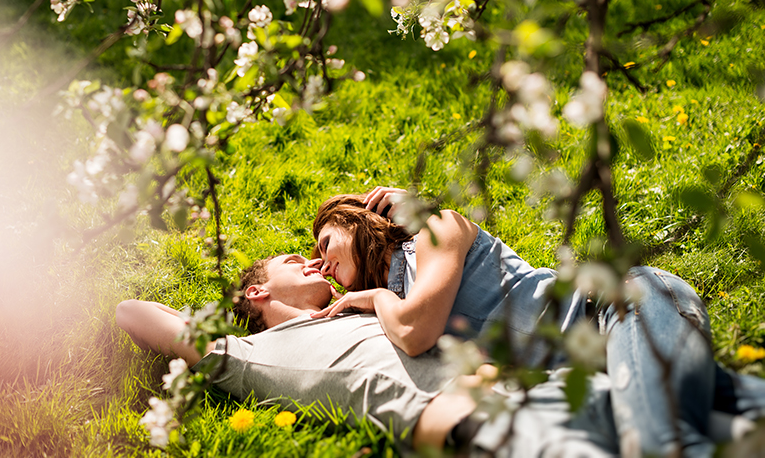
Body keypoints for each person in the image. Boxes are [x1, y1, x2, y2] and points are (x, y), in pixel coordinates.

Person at [310, 187, 765, 457]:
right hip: (603, 365)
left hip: (625, 307)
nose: (320, 264)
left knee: (661, 444)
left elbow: (416, 331)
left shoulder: (435, 230)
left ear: (353, 221)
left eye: (323, 243)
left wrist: (376, 295)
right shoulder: (398, 299)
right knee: (727, 410)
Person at [117, 254, 629, 455]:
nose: (311, 259)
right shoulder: (249, 353)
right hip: (491, 430)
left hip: (550, 391)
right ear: (257, 294)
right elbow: (131, 312)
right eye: (293, 261)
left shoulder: (367, 312)